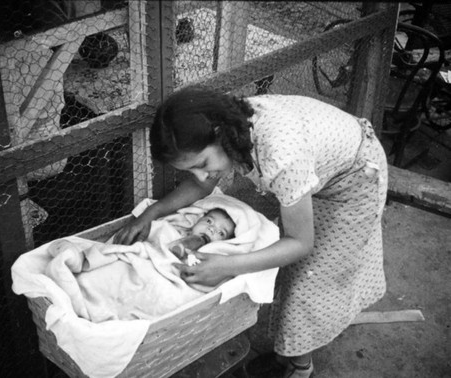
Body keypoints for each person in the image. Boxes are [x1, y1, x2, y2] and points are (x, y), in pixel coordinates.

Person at [113, 85, 388, 378]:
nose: (202, 175)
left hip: (355, 180)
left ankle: (300, 367)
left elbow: (300, 242)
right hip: (316, 171)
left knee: (312, 278)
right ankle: (292, 349)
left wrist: (227, 265)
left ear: (221, 134)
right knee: (295, 273)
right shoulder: (229, 131)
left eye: (202, 164)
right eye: (191, 169)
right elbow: (203, 184)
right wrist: (151, 213)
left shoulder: (281, 156)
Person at [168, 207, 236, 263]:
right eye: (209, 221)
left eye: (221, 233)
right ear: (199, 219)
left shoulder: (212, 258)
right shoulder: (178, 231)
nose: (211, 229)